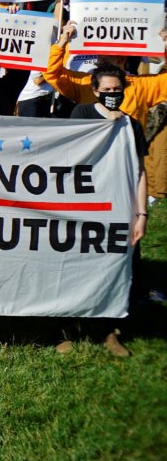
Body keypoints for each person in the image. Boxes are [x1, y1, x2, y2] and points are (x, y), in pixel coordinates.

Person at [59, 64, 150, 355]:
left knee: (116, 268)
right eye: (107, 90)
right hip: (84, 204)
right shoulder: (82, 113)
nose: (113, 94)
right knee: (76, 266)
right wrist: (106, 123)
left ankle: (110, 331)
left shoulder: (131, 124)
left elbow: (140, 171)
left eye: (117, 89)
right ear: (95, 91)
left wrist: (141, 214)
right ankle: (69, 329)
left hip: (118, 208)